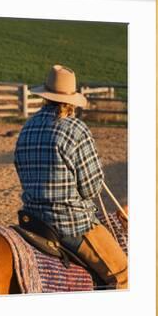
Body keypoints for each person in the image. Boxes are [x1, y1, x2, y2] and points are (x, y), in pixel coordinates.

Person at [14, 64, 128, 289]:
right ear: (71, 100)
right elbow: (91, 189)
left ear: (46, 95)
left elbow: (20, 169)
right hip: (70, 225)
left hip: (32, 220)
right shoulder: (76, 129)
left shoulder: (27, 128)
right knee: (125, 276)